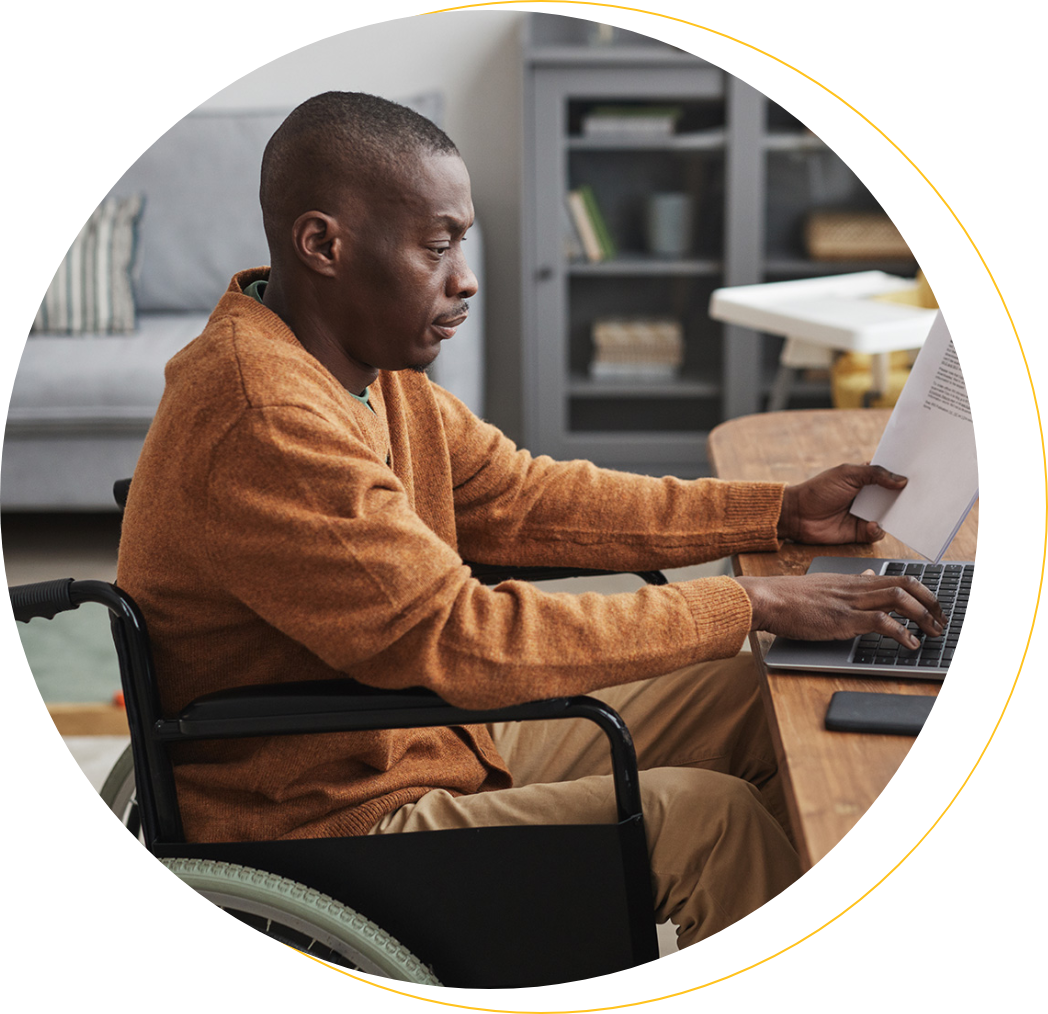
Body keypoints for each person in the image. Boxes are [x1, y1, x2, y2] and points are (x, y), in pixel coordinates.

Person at [116, 92, 945, 950]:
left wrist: (770, 513)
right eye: (436, 247)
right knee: (711, 822)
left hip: (421, 739)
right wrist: (751, 606)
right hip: (327, 815)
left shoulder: (363, 367)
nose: (465, 276)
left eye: (461, 243)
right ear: (323, 244)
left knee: (761, 696)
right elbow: (465, 637)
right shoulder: (266, 416)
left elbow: (526, 497)